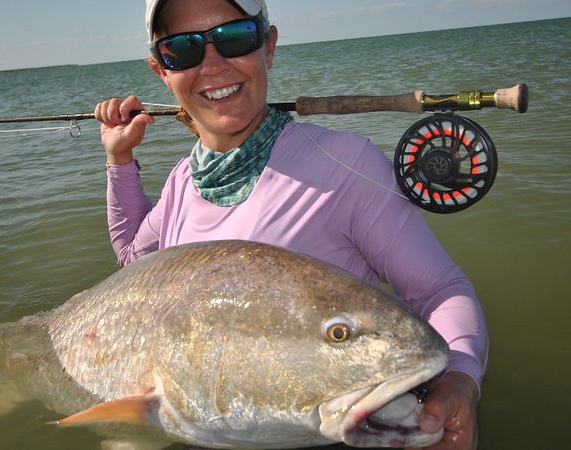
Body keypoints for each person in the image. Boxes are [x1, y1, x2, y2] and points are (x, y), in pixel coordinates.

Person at [94, 0, 488, 449]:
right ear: (161, 70)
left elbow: (441, 289)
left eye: (234, 37)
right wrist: (119, 159)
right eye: (181, 50)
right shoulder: (182, 181)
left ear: (269, 45)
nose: (212, 64)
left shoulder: (345, 164)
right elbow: (133, 266)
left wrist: (458, 380)